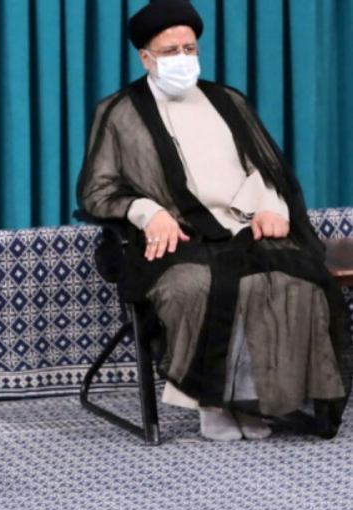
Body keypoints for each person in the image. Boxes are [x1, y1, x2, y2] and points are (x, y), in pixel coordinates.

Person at [77, 0, 349, 441]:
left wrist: (270, 207)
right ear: (145, 57)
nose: (183, 58)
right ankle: (212, 402)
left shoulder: (228, 100)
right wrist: (149, 212)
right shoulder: (119, 112)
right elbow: (98, 190)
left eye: (190, 49)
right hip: (178, 235)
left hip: (243, 225)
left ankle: (257, 399)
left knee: (291, 278)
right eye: (170, 51)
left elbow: (264, 167)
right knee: (193, 285)